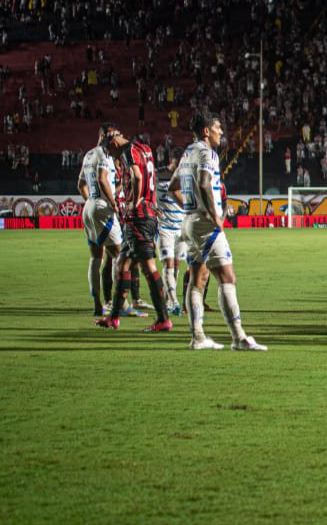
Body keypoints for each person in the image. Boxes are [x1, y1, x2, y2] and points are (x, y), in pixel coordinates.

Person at [173, 111, 267, 350]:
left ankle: (198, 337)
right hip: (205, 224)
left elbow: (172, 186)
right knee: (227, 277)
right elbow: (205, 182)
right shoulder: (207, 153)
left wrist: (190, 208)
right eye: (217, 128)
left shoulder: (186, 154)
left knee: (198, 279)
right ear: (206, 131)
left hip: (189, 222)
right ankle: (239, 337)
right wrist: (213, 214)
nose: (221, 132)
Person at [95, 133, 172, 331]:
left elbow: (137, 175)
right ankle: (113, 318)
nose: (114, 158)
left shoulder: (127, 151)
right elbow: (149, 176)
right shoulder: (144, 148)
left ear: (113, 144)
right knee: (122, 264)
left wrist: (135, 201)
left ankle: (163, 319)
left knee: (148, 267)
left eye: (111, 153)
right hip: (146, 215)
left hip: (139, 216)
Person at [77, 123, 125, 318]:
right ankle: (120, 303)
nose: (116, 140)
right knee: (121, 256)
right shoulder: (105, 154)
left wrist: (92, 200)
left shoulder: (89, 154)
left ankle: (98, 304)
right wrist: (112, 203)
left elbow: (81, 185)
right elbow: (103, 179)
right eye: (114, 135)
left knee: (97, 257)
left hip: (89, 207)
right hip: (102, 209)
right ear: (105, 135)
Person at [156, 176, 188, 318]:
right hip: (165, 229)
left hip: (181, 229)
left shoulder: (187, 180)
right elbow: (147, 195)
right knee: (167, 265)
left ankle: (169, 300)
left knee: (176, 266)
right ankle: (174, 302)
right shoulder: (159, 180)